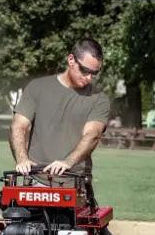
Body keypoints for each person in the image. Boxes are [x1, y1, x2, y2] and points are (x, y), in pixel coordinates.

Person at [10, 38, 110, 176]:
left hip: (75, 180)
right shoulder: (37, 88)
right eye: (85, 70)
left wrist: (68, 162)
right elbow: (19, 126)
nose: (89, 78)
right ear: (71, 60)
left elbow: (92, 134)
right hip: (36, 179)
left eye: (95, 73)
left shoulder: (99, 98)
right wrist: (22, 160)